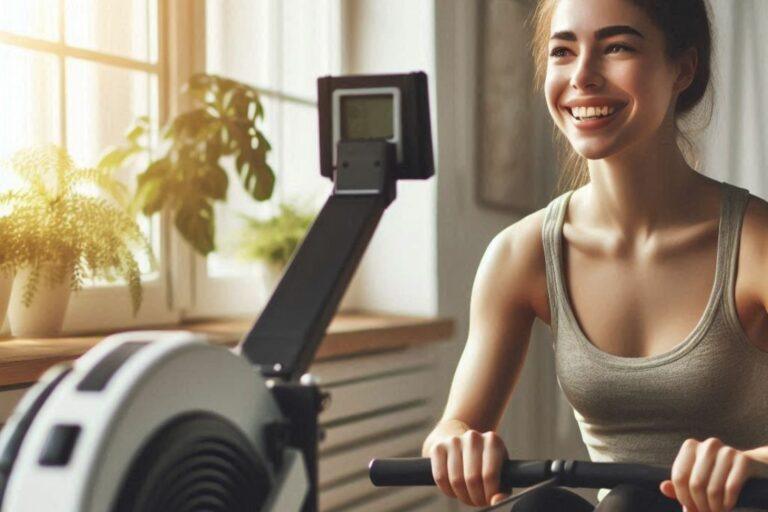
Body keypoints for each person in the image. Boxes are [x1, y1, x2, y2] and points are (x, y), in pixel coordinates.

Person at [422, 0, 768, 511]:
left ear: (684, 69)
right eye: (563, 51)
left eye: (617, 47)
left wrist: (756, 462)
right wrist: (453, 443)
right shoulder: (521, 255)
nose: (582, 76)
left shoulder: (755, 243)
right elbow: (454, 427)